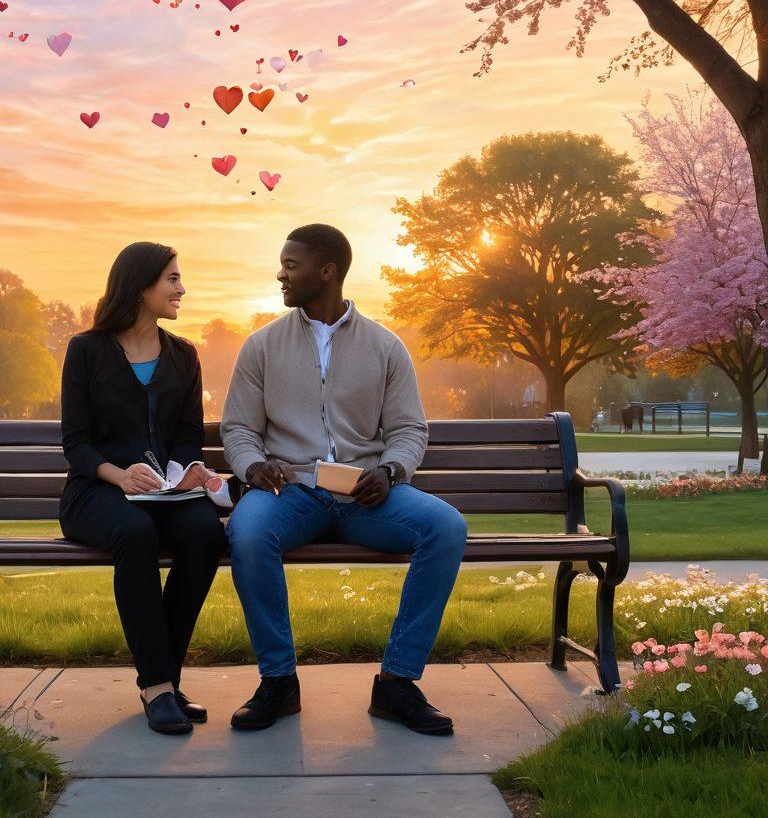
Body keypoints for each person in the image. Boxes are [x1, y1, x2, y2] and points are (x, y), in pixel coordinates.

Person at [221, 224, 468, 735]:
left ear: (326, 271)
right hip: (288, 492)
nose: (281, 274)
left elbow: (407, 429)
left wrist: (392, 470)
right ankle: (278, 682)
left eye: (291, 265)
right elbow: (239, 428)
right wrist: (253, 467)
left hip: (366, 496)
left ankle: (397, 683)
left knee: (445, 527)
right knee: (246, 532)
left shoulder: (385, 346)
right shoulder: (261, 346)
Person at [59, 242, 228, 735]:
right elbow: (76, 443)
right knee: (134, 532)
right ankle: (158, 687)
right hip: (98, 492)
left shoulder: (184, 355)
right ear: (140, 286)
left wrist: (184, 475)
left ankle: (166, 683)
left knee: (206, 535)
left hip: (166, 495)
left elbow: (188, 434)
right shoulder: (86, 350)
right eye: (172, 279)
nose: (182, 289)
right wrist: (120, 474)